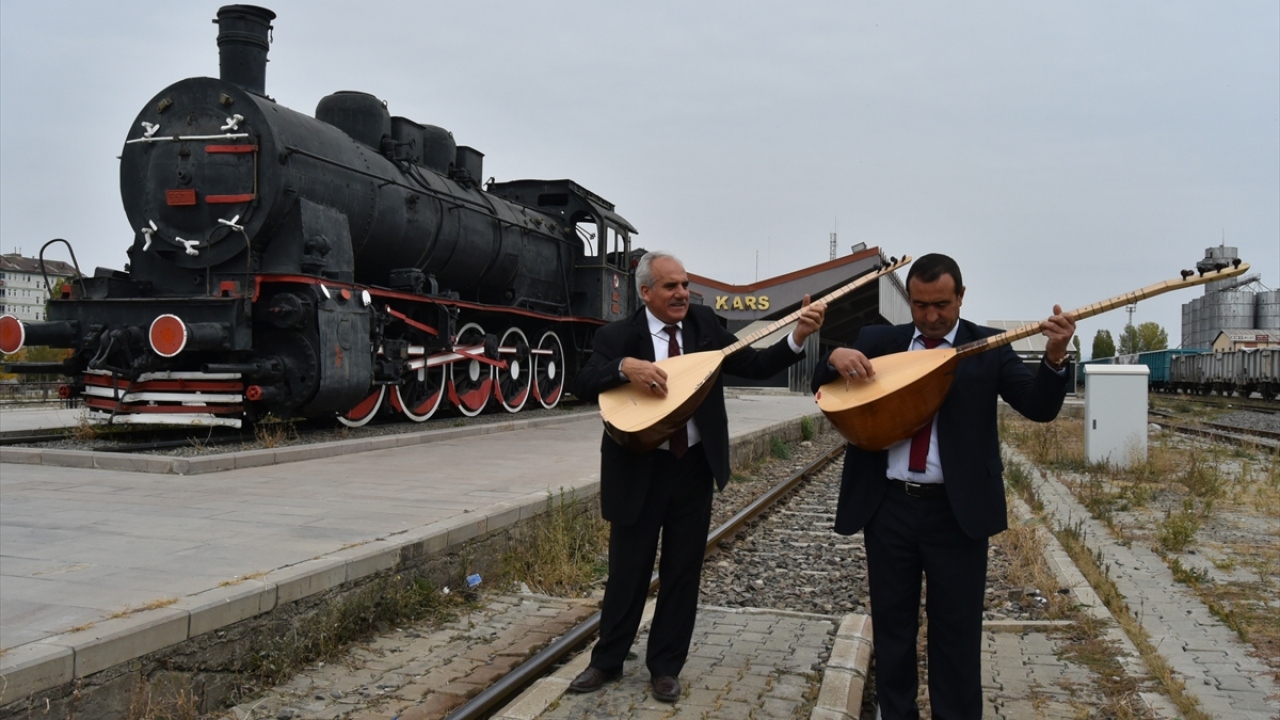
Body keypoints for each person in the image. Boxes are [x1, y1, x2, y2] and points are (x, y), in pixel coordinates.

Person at [811, 253, 1075, 720]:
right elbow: (822, 380)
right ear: (909, 301)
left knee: (956, 634)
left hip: (957, 514)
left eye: (941, 305)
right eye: (919, 306)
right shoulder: (879, 340)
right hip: (888, 508)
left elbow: (1038, 407)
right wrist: (834, 355)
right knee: (893, 631)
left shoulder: (989, 346)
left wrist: (1054, 359)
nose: (931, 317)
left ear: (961, 297)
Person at [570, 250, 825, 704]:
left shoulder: (705, 326)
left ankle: (666, 668)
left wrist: (798, 337)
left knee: (682, 572)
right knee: (627, 572)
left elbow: (755, 366)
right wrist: (624, 369)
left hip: (692, 469)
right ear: (646, 292)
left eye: (685, 285)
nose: (682, 293)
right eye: (670, 286)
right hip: (638, 468)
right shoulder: (616, 336)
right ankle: (606, 661)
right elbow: (585, 382)